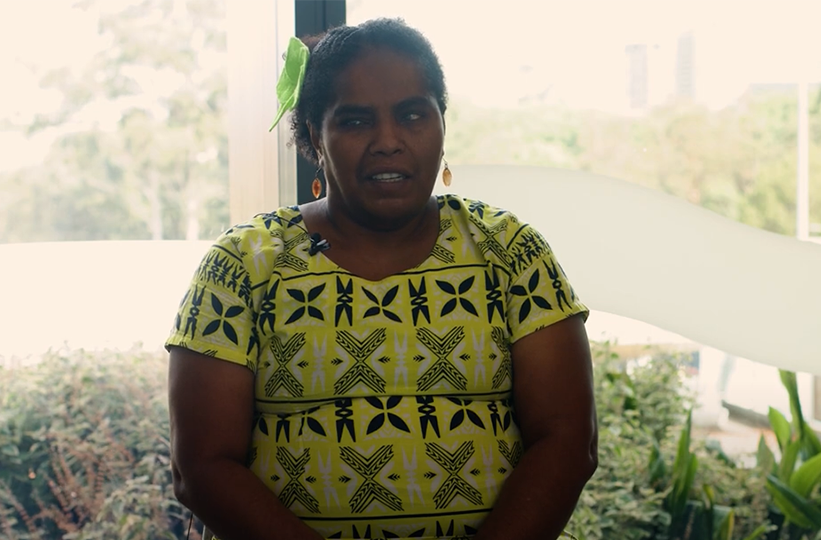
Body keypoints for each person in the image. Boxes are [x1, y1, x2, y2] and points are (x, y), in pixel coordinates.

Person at [166, 18, 597, 540]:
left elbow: (568, 442)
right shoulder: (241, 265)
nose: (388, 141)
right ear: (314, 136)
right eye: (355, 121)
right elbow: (202, 467)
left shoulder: (510, 251)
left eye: (413, 115)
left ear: (442, 124)